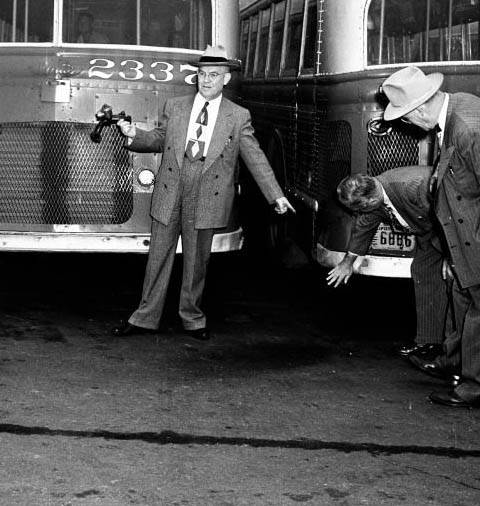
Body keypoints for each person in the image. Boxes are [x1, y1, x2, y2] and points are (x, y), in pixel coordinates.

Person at [381, 65, 480, 408]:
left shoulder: (468, 129)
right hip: (471, 233)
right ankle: (453, 362)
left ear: (421, 108)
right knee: (463, 299)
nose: (409, 126)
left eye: (407, 119)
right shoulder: (461, 106)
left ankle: (476, 390)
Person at [111, 45, 294, 341]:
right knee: (158, 255)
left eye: (213, 75)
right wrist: (134, 135)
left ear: (226, 79)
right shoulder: (176, 106)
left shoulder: (238, 116)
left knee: (197, 261)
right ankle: (145, 317)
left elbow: (255, 156)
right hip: (172, 185)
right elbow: (160, 138)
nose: (206, 80)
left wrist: (276, 195)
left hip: (209, 190)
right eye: (201, 74)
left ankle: (192, 318)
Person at [328, 167, 449, 366]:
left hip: (453, 229)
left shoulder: (414, 189)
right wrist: (347, 263)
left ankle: (453, 352)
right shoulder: (376, 192)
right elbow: (364, 225)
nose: (357, 214)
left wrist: (450, 256)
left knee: (457, 282)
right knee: (423, 271)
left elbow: (450, 219)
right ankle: (429, 343)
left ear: (370, 201)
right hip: (430, 230)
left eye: (357, 209)